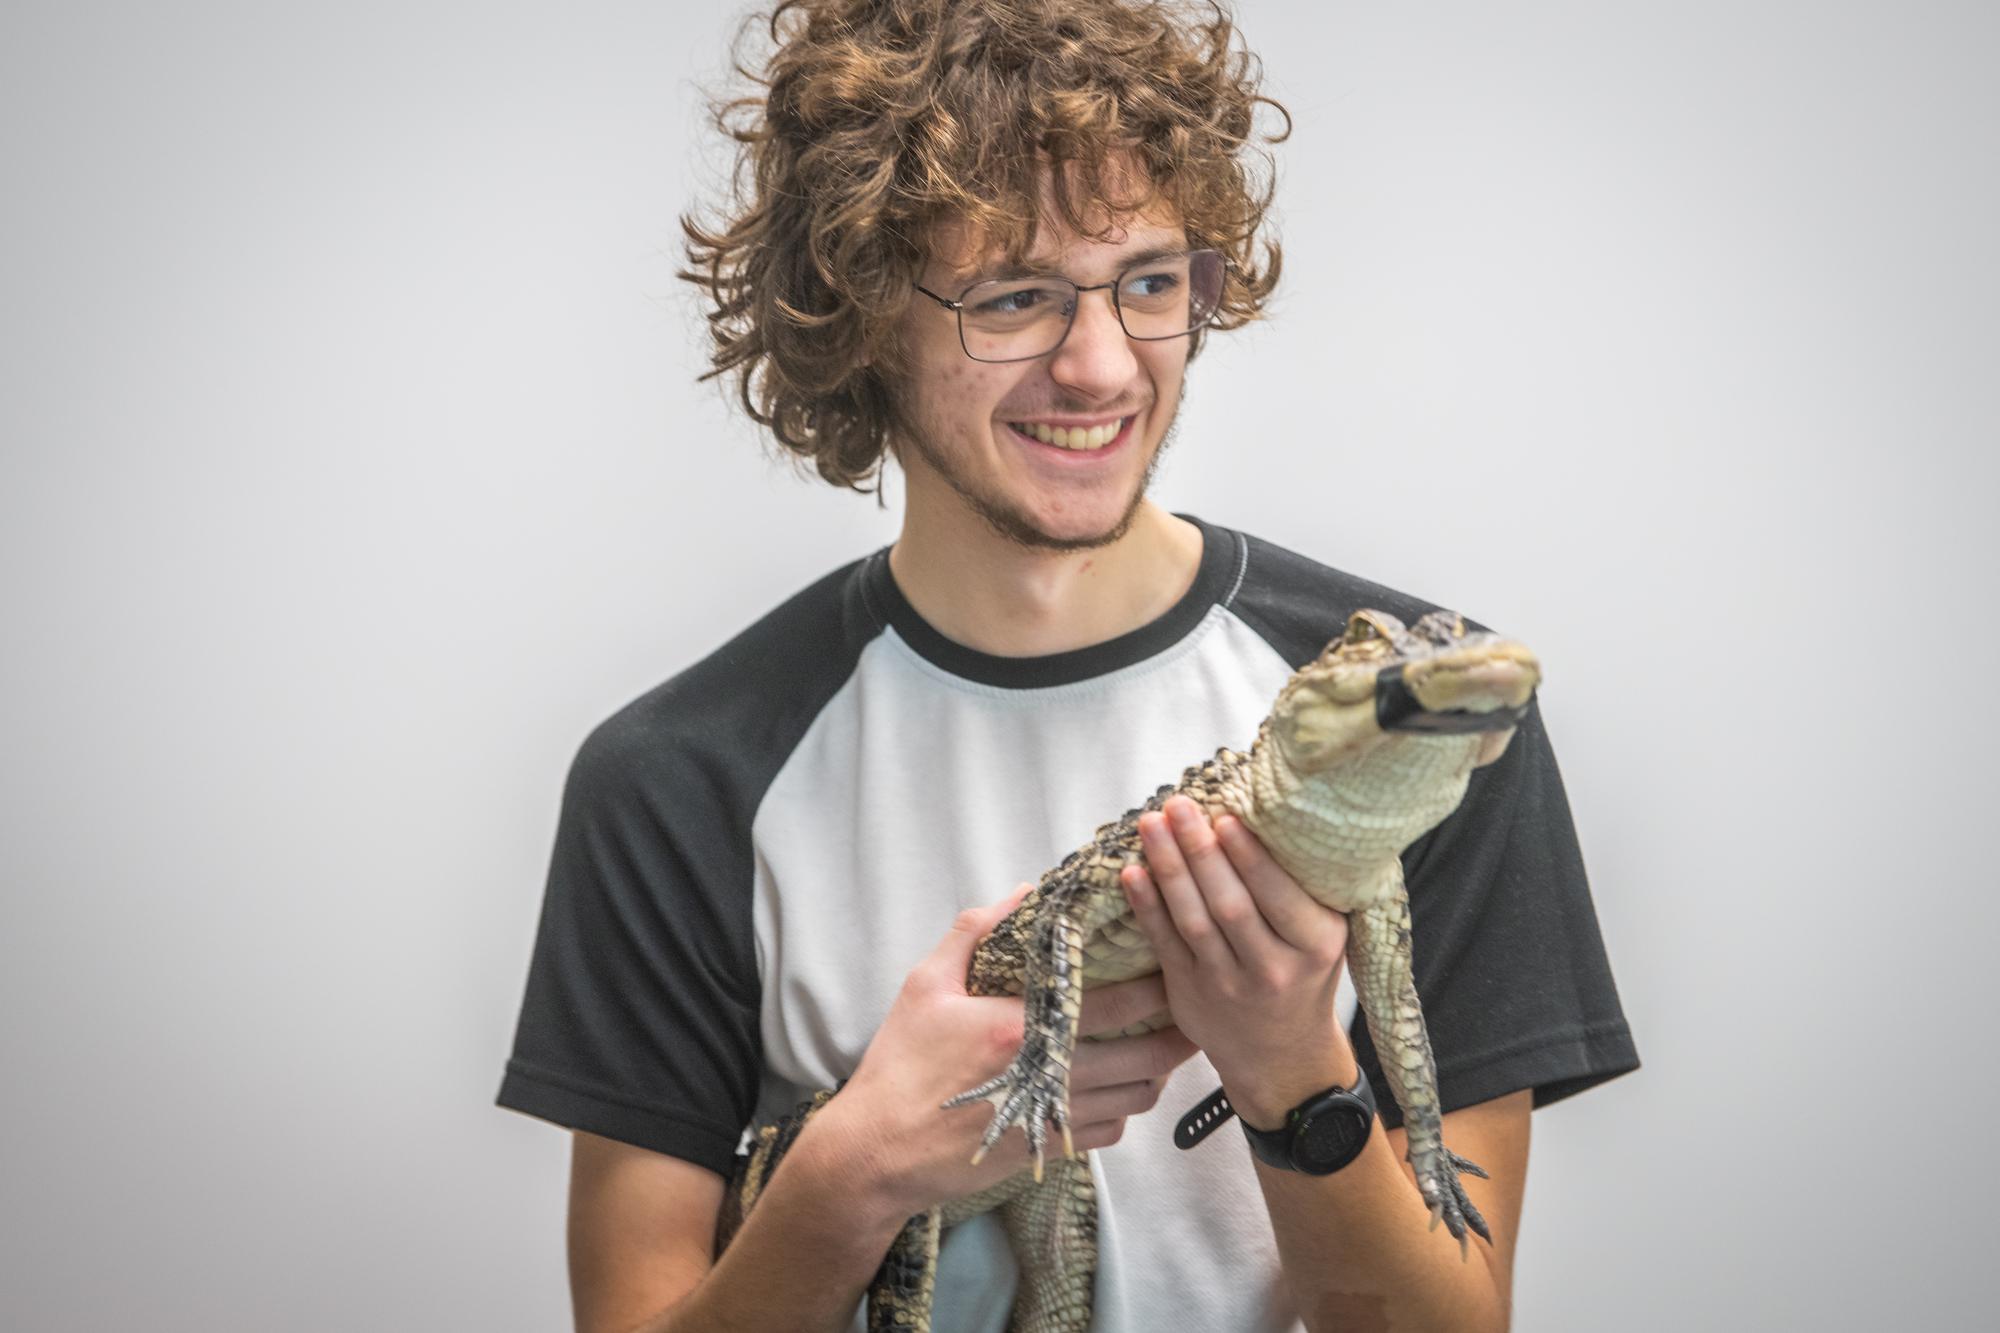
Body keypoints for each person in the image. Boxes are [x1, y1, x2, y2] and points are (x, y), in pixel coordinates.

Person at [496, 1, 1639, 1329]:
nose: (1099, 366)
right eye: (1016, 296)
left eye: (1150, 282)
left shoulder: (1423, 727)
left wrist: (1290, 1069)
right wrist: (856, 1172)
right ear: (861, 311)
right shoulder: (675, 783)